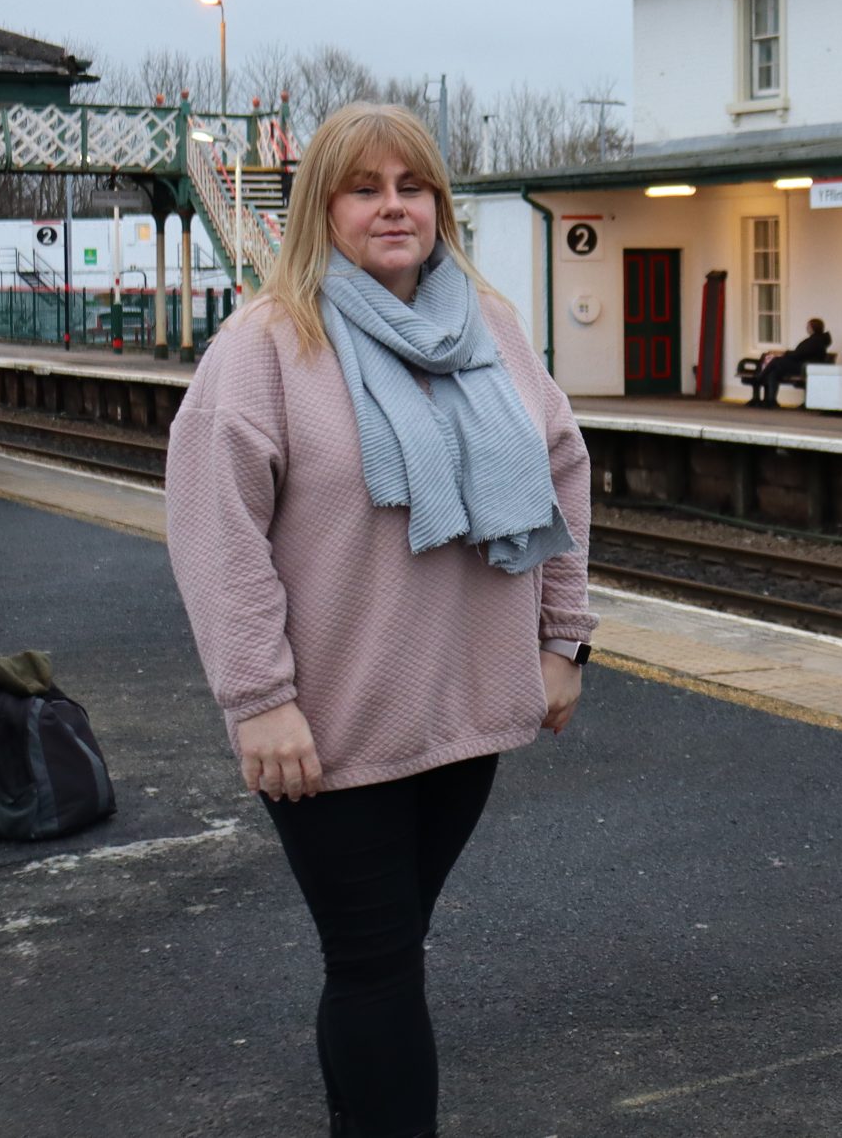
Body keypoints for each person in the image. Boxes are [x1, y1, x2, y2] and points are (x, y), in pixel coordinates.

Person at [164, 103, 595, 1138]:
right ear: (323, 208)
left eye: (413, 187)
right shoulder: (265, 346)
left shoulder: (489, 328)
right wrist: (259, 700)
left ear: (440, 205)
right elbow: (218, 534)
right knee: (374, 959)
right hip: (331, 726)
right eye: (365, 189)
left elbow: (563, 472)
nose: (393, 208)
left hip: (468, 709)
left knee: (386, 952)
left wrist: (562, 640)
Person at [746, 315, 835, 406]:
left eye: (808, 326)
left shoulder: (814, 341)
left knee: (776, 361)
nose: (807, 328)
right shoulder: (818, 340)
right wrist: (786, 354)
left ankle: (759, 378)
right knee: (774, 372)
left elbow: (799, 354)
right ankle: (771, 400)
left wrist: (785, 354)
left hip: (804, 366)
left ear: (812, 328)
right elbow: (801, 353)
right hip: (804, 365)